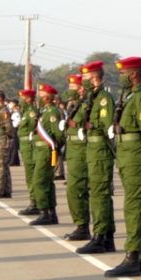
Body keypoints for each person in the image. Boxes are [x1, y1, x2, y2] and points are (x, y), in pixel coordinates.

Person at [104, 57, 141, 277]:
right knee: (137, 207)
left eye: (123, 73)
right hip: (127, 155)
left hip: (135, 156)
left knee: (133, 207)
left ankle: (132, 256)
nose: (120, 77)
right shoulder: (130, 96)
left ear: (133, 74)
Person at [76, 60, 118, 255]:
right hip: (93, 150)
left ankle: (101, 236)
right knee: (98, 193)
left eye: (85, 77)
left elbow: (107, 125)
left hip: (100, 151)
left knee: (99, 194)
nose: (82, 81)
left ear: (94, 78)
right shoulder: (92, 98)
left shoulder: (103, 99)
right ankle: (106, 236)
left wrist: (91, 128)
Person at [62, 74, 92, 241]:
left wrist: (78, 125)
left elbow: (92, 124)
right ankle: (81, 225)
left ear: (81, 88)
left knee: (76, 188)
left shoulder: (86, 104)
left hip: (81, 150)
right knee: (74, 189)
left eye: (73, 88)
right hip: (73, 149)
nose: (70, 91)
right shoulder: (74, 105)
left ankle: (83, 226)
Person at [29, 84, 64, 225]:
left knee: (39, 182)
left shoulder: (52, 112)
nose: (39, 96)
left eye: (42, 94)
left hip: (46, 151)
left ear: (48, 97)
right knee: (47, 183)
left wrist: (56, 149)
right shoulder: (44, 111)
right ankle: (51, 213)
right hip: (40, 151)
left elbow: (58, 134)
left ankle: (44, 211)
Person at [17, 89, 40, 216]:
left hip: (30, 146)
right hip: (25, 145)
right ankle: (33, 201)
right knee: (29, 175)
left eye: (23, 98)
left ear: (29, 99)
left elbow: (33, 128)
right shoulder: (25, 112)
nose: (21, 100)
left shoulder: (31, 112)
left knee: (31, 175)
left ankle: (35, 203)